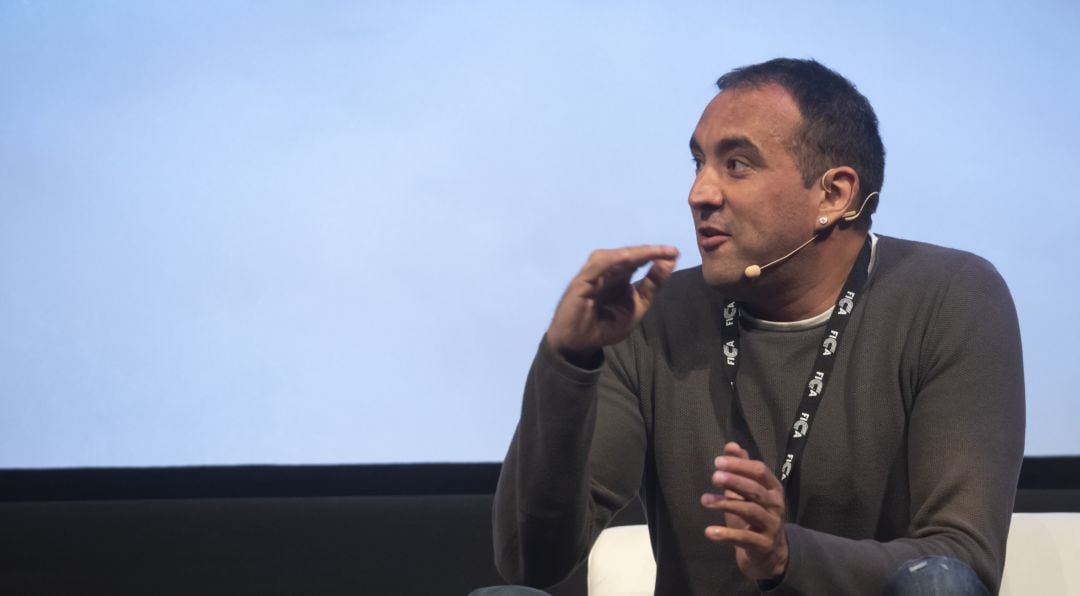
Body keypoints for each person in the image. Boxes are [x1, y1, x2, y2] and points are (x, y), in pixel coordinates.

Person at [491, 58, 1024, 595]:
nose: (700, 192)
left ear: (833, 194)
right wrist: (570, 362)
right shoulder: (652, 316)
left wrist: (788, 555)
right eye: (698, 163)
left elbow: (962, 561)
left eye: (737, 164)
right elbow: (531, 562)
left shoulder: (950, 297)